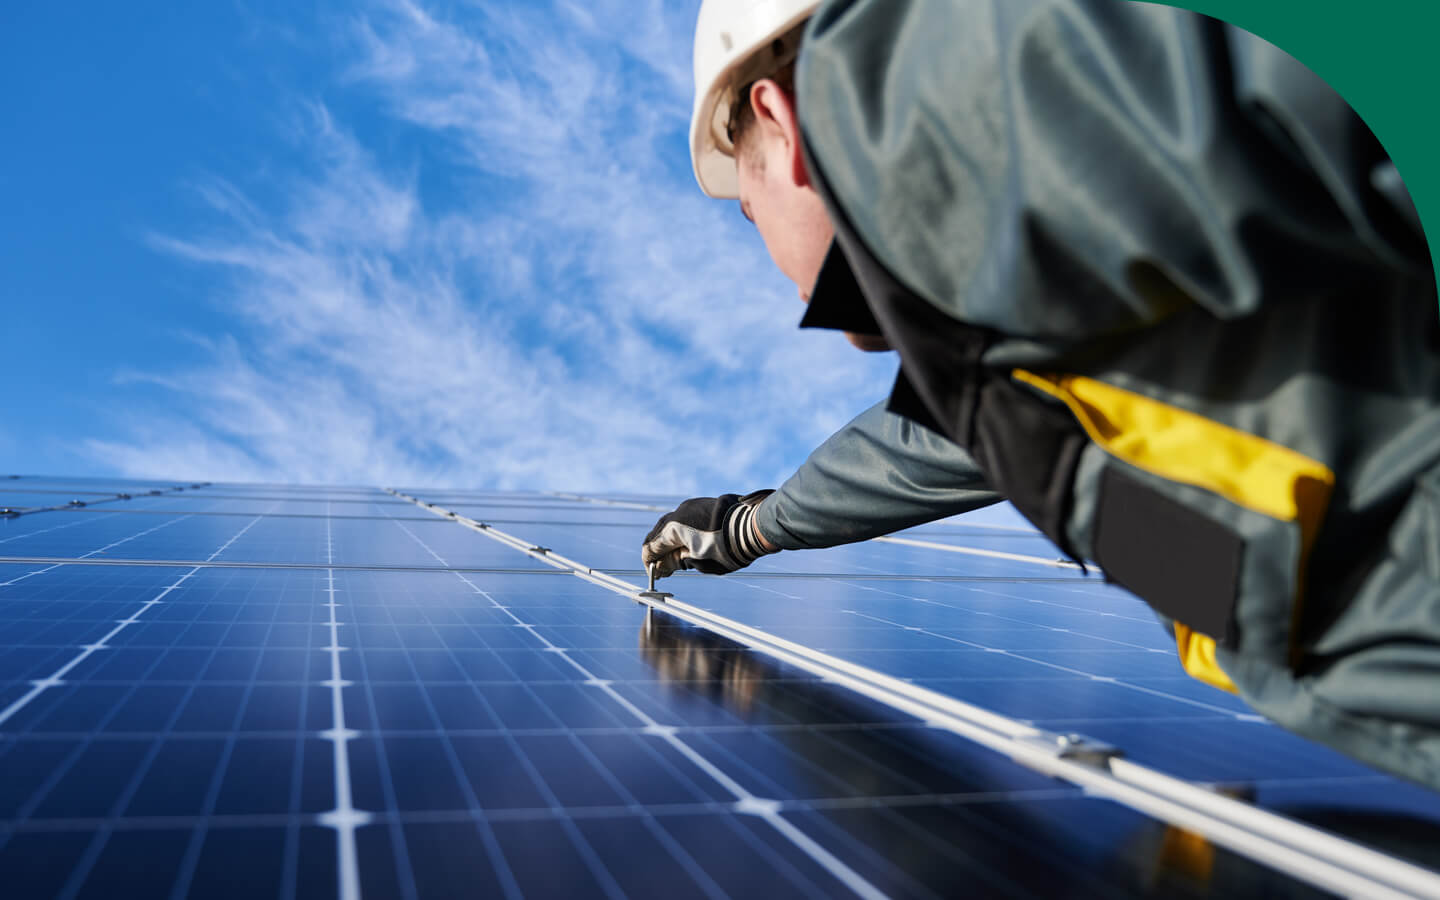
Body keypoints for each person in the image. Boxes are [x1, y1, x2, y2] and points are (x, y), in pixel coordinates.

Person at [641, 0, 1440, 788]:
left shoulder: (964, 99)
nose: (780, 273)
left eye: (752, 213)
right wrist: (747, 529)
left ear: (780, 125)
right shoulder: (1004, 354)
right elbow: (917, 445)